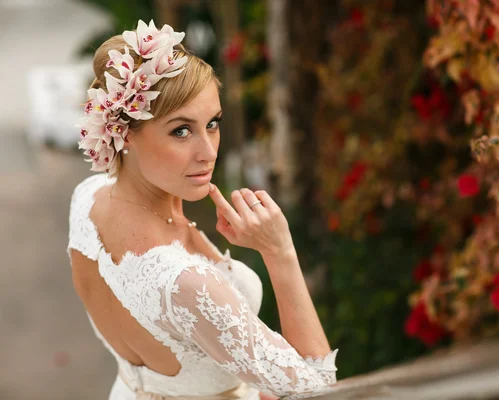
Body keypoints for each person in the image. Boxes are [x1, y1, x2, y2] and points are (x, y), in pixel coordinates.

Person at [67, 20, 338, 400]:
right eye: (181, 131)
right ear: (124, 132)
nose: (209, 151)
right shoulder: (186, 285)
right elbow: (320, 393)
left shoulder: (88, 197)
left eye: (212, 124)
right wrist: (280, 252)